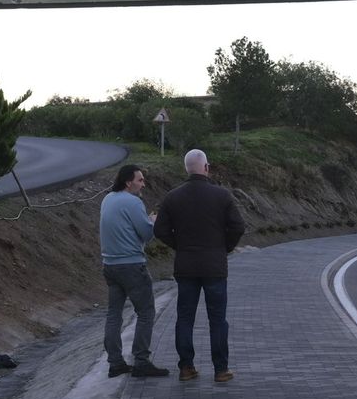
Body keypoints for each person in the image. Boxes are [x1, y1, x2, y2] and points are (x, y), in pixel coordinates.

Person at [154, 149, 246, 383]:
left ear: (186, 168)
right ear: (206, 167)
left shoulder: (172, 197)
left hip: (185, 266)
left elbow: (160, 230)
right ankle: (221, 370)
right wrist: (224, 247)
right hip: (214, 266)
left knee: (185, 317)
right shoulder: (221, 195)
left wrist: (180, 245)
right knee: (217, 319)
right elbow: (238, 227)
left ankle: (186, 367)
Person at [98, 165, 169, 379]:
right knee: (146, 312)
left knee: (114, 314)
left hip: (110, 265)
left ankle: (115, 363)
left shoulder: (108, 199)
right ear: (129, 182)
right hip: (131, 265)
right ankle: (141, 361)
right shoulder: (133, 202)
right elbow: (147, 234)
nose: (143, 184)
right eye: (140, 180)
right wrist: (154, 220)